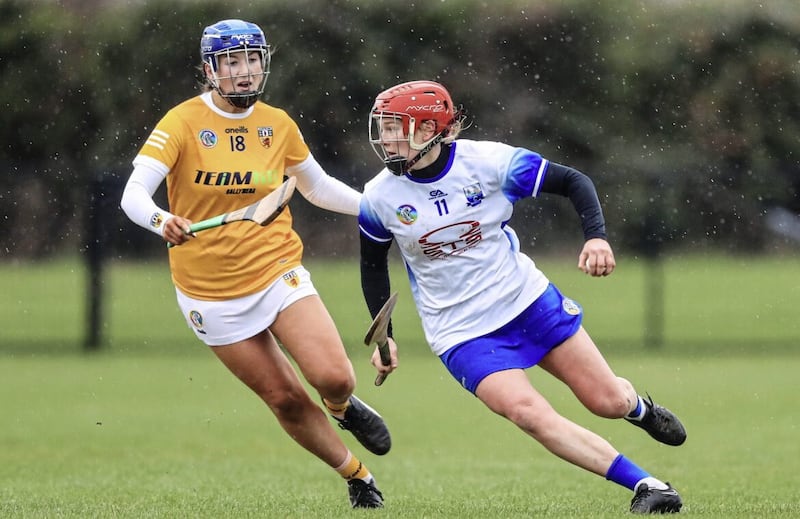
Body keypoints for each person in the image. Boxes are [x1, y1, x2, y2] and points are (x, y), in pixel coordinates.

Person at [358, 80, 687, 514]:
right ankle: (648, 485)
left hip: (527, 302)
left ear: (430, 129)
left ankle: (638, 409)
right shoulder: (379, 196)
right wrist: (387, 337)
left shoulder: (489, 162)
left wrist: (597, 239)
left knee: (608, 402)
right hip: (460, 332)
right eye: (382, 128)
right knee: (528, 413)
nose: (385, 139)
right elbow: (371, 266)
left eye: (396, 128)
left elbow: (574, 181)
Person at [120, 19, 388, 509]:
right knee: (285, 398)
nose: (245, 72)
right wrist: (161, 220)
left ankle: (343, 406)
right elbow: (133, 193)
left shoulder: (278, 123)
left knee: (335, 376)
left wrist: (374, 207)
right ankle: (357, 476)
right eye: (232, 62)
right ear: (210, 69)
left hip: (275, 269)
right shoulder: (181, 122)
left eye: (252, 60)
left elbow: (316, 187)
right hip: (209, 294)